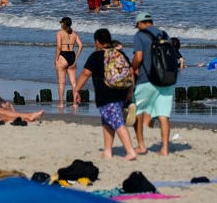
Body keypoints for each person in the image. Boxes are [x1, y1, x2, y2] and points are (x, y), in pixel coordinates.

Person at [73, 28, 137, 160]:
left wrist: (76, 90)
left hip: (106, 95)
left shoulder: (96, 56)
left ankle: (130, 151)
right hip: (122, 92)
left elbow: (85, 74)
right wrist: (130, 91)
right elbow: (131, 72)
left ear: (97, 41)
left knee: (117, 122)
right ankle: (108, 151)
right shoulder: (120, 54)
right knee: (107, 121)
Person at [132, 12, 173, 156]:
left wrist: (133, 67)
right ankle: (165, 148)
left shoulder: (140, 35)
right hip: (165, 79)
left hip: (146, 79)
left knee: (138, 112)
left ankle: (141, 146)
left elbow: (138, 57)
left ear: (141, 23)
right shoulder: (164, 34)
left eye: (137, 25)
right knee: (163, 115)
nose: (137, 28)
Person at [54, 17, 84, 107]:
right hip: (72, 56)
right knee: (74, 83)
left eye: (61, 23)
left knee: (61, 82)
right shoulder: (74, 34)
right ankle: (75, 104)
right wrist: (76, 58)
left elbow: (59, 47)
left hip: (63, 55)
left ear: (63, 24)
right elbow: (81, 45)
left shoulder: (59, 33)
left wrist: (56, 58)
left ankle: (61, 103)